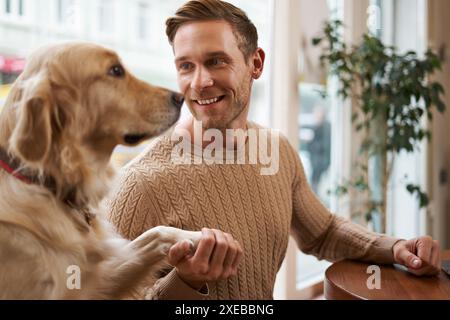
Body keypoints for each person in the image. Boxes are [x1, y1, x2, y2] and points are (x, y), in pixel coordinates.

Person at [107, 0, 441, 300]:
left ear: (256, 63)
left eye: (216, 61)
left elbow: (323, 232)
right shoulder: (139, 185)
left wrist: (394, 248)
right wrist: (187, 282)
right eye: (186, 66)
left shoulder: (277, 151)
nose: (199, 82)